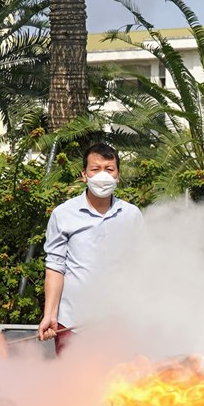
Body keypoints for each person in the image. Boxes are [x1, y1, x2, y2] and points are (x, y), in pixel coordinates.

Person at [38, 142, 143, 350]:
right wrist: (50, 315)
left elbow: (139, 267)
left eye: (109, 169)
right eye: (95, 169)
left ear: (118, 176)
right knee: (74, 382)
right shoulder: (63, 214)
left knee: (119, 382)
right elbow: (55, 267)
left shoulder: (132, 215)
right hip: (72, 324)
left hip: (119, 325)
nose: (102, 176)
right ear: (84, 175)